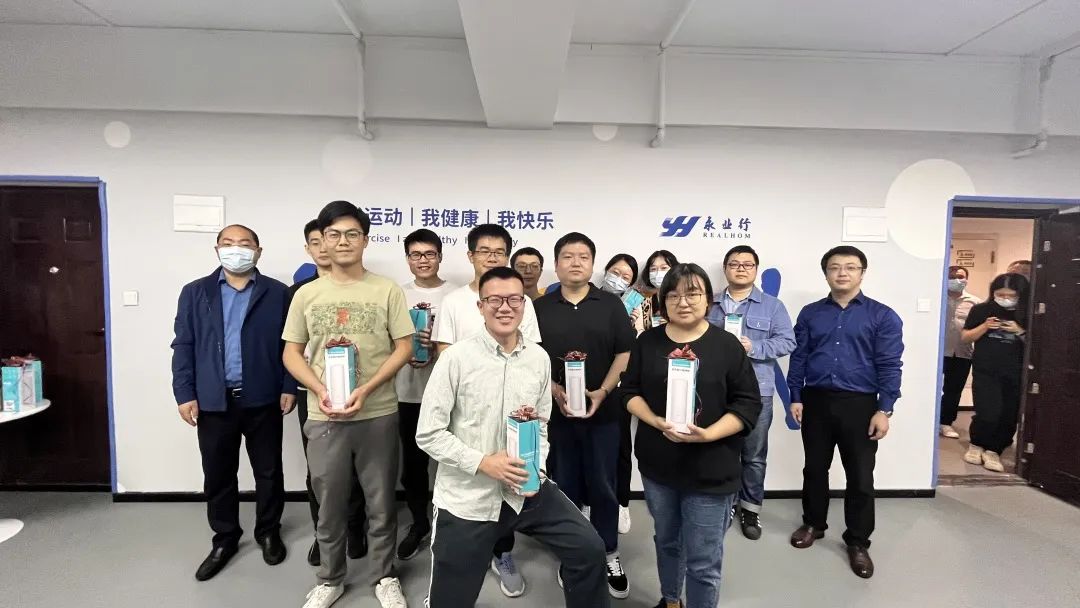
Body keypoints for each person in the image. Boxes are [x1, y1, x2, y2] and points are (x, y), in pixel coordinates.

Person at [418, 267, 610, 608]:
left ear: (524, 305)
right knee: (451, 599)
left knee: (588, 548)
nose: (504, 307)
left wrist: (537, 468)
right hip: (469, 499)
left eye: (513, 300)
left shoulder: (538, 359)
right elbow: (429, 434)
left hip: (526, 490)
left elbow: (542, 422)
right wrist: (483, 463)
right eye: (494, 300)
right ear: (480, 306)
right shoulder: (455, 359)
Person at [283, 201, 414, 608]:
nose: (343, 241)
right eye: (334, 234)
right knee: (329, 503)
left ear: (365, 240)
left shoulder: (386, 290)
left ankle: (384, 576)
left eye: (352, 234)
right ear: (321, 240)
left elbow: (404, 347)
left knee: (381, 502)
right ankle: (330, 578)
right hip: (324, 415)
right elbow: (291, 353)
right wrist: (319, 388)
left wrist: (368, 388)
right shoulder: (307, 294)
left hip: (377, 412)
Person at [623, 263, 762, 608]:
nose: (682, 302)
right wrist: (655, 421)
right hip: (659, 466)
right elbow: (629, 392)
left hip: (711, 468)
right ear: (663, 302)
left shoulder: (726, 345)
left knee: (703, 560)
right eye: (673, 295)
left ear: (708, 300)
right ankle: (671, 600)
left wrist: (709, 434)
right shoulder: (647, 342)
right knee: (667, 541)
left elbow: (748, 404)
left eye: (692, 294)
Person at [170, 224, 295, 581]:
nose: (236, 249)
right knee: (218, 473)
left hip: (263, 397)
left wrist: (289, 385)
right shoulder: (195, 292)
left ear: (258, 250)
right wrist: (184, 393)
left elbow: (292, 344)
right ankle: (225, 537)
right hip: (214, 400)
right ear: (217, 250)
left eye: (244, 243)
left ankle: (268, 530)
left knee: (268, 471)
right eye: (228, 243)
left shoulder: (277, 293)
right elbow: (183, 344)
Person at [431, 223, 542, 597]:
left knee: (508, 490)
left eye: (499, 252)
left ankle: (502, 553)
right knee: (466, 506)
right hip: (467, 414)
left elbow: (530, 357)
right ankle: (454, 575)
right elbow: (445, 354)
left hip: (510, 417)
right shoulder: (455, 302)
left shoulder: (522, 302)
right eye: (484, 251)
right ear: (470, 255)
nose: (492, 257)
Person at [787, 245, 903, 580]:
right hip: (816, 400)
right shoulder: (811, 313)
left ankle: (858, 541)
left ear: (862, 273)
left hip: (860, 404)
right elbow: (799, 356)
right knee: (814, 468)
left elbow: (890, 364)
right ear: (826, 273)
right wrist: (796, 395)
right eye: (835, 267)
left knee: (861, 476)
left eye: (850, 267)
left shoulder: (882, 315)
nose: (842, 273)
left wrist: (885, 409)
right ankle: (814, 524)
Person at [534, 233, 636, 598]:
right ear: (556, 264)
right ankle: (573, 554)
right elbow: (532, 356)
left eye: (583, 256)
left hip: (604, 414)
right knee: (565, 486)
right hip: (558, 415)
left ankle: (608, 551)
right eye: (567, 256)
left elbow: (624, 353)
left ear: (593, 264)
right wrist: (554, 389)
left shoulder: (610, 305)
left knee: (604, 485)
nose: (575, 262)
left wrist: (604, 391)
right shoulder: (540, 307)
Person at [288, 219, 367, 568]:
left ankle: (355, 529)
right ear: (310, 247)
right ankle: (324, 534)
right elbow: (288, 347)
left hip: (358, 393)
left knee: (357, 465)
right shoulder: (299, 293)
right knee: (319, 469)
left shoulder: (363, 288)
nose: (326, 246)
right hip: (314, 395)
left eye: (331, 238)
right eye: (318, 241)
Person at [706, 245, 795, 541]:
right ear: (725, 269)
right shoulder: (709, 303)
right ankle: (726, 504)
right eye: (734, 264)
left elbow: (787, 342)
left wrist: (753, 347)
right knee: (721, 451)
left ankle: (750, 509)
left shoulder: (772, 306)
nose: (741, 268)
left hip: (757, 391)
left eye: (747, 264)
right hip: (717, 390)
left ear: (756, 269)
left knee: (754, 455)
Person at [394, 229, 456, 560]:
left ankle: (453, 525)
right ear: (407, 259)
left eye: (430, 254)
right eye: (416, 255)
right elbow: (385, 341)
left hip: (450, 395)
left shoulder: (456, 295)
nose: (423, 260)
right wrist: (405, 350)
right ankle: (419, 524)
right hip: (407, 393)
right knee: (413, 466)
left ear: (440, 257)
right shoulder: (395, 294)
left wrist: (439, 344)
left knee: (453, 463)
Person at [960, 273, 1029, 473]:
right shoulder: (981, 310)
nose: (1005, 299)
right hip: (986, 369)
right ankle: (976, 444)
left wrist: (1020, 331)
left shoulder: (1029, 312)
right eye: (1000, 294)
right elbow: (966, 337)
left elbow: (1040, 345)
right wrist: (985, 326)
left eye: (1011, 295)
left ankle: (994, 450)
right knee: (987, 410)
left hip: (1016, 372)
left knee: (1009, 413)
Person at [599, 253, 641, 534]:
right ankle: (588, 501)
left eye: (626, 276)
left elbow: (634, 349)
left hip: (619, 387)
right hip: (588, 384)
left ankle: (621, 504)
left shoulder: (635, 305)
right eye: (615, 272)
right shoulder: (590, 299)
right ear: (605, 271)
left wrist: (633, 326)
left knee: (621, 447)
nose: (619, 279)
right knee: (589, 447)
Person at [940, 265, 980, 440]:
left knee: (953, 390)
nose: (957, 280)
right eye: (952, 276)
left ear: (966, 279)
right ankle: (928, 418)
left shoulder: (975, 302)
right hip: (938, 352)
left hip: (962, 353)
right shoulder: (938, 297)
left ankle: (946, 422)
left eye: (961, 276)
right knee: (930, 387)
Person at [641, 250, 678, 329]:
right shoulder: (643, 298)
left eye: (664, 268)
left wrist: (674, 323)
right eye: (653, 269)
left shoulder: (682, 297)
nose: (658, 273)